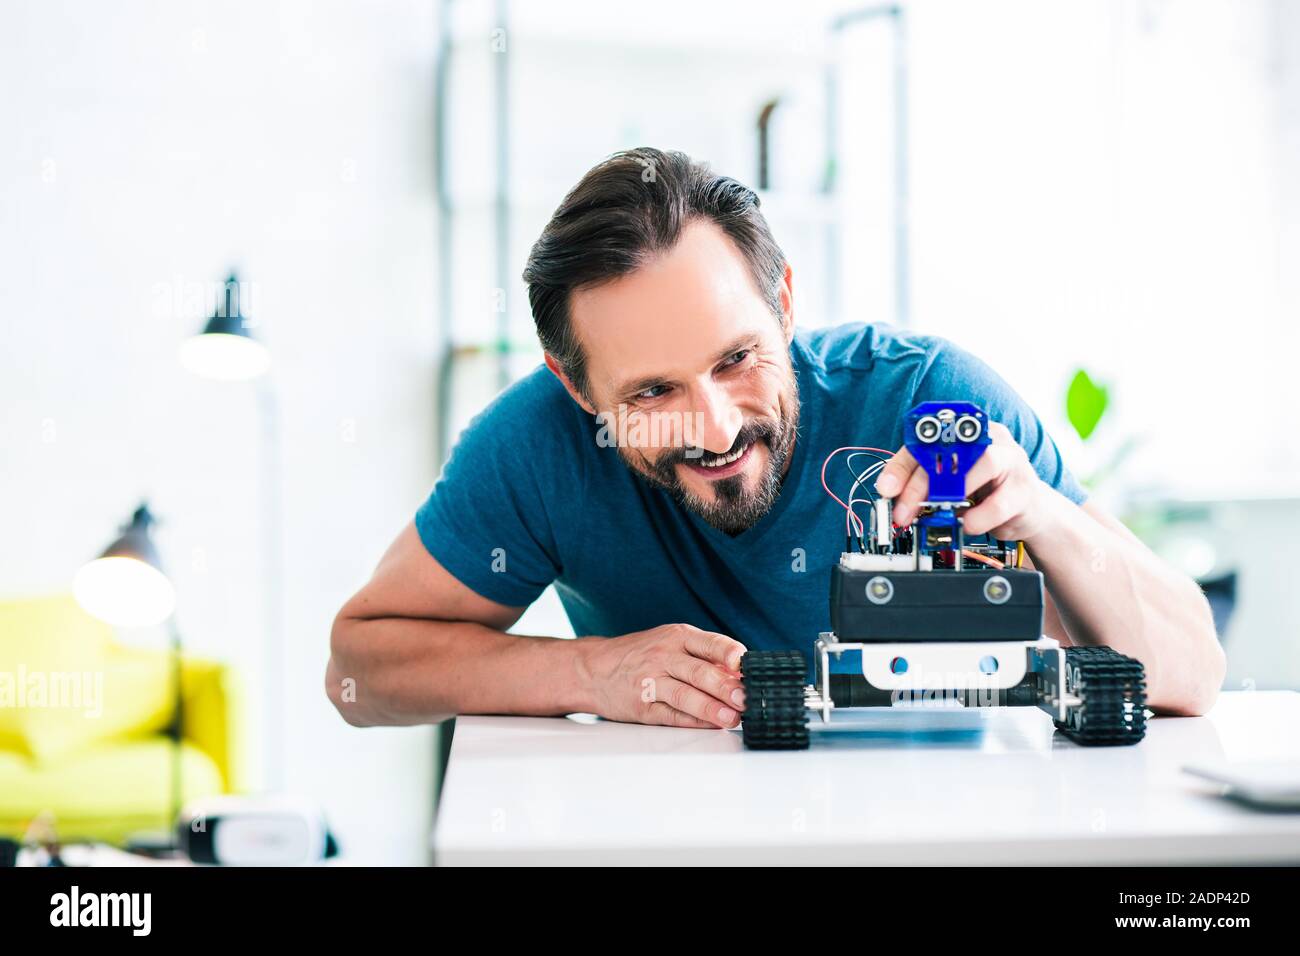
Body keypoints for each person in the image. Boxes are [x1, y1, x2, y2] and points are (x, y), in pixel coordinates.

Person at [326, 148, 1223, 732]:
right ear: (575, 385)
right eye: (651, 391)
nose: (714, 427)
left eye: (737, 358)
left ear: (785, 303)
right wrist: (591, 673)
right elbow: (358, 671)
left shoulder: (927, 401)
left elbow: (1196, 671)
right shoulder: (537, 445)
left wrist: (1050, 528)